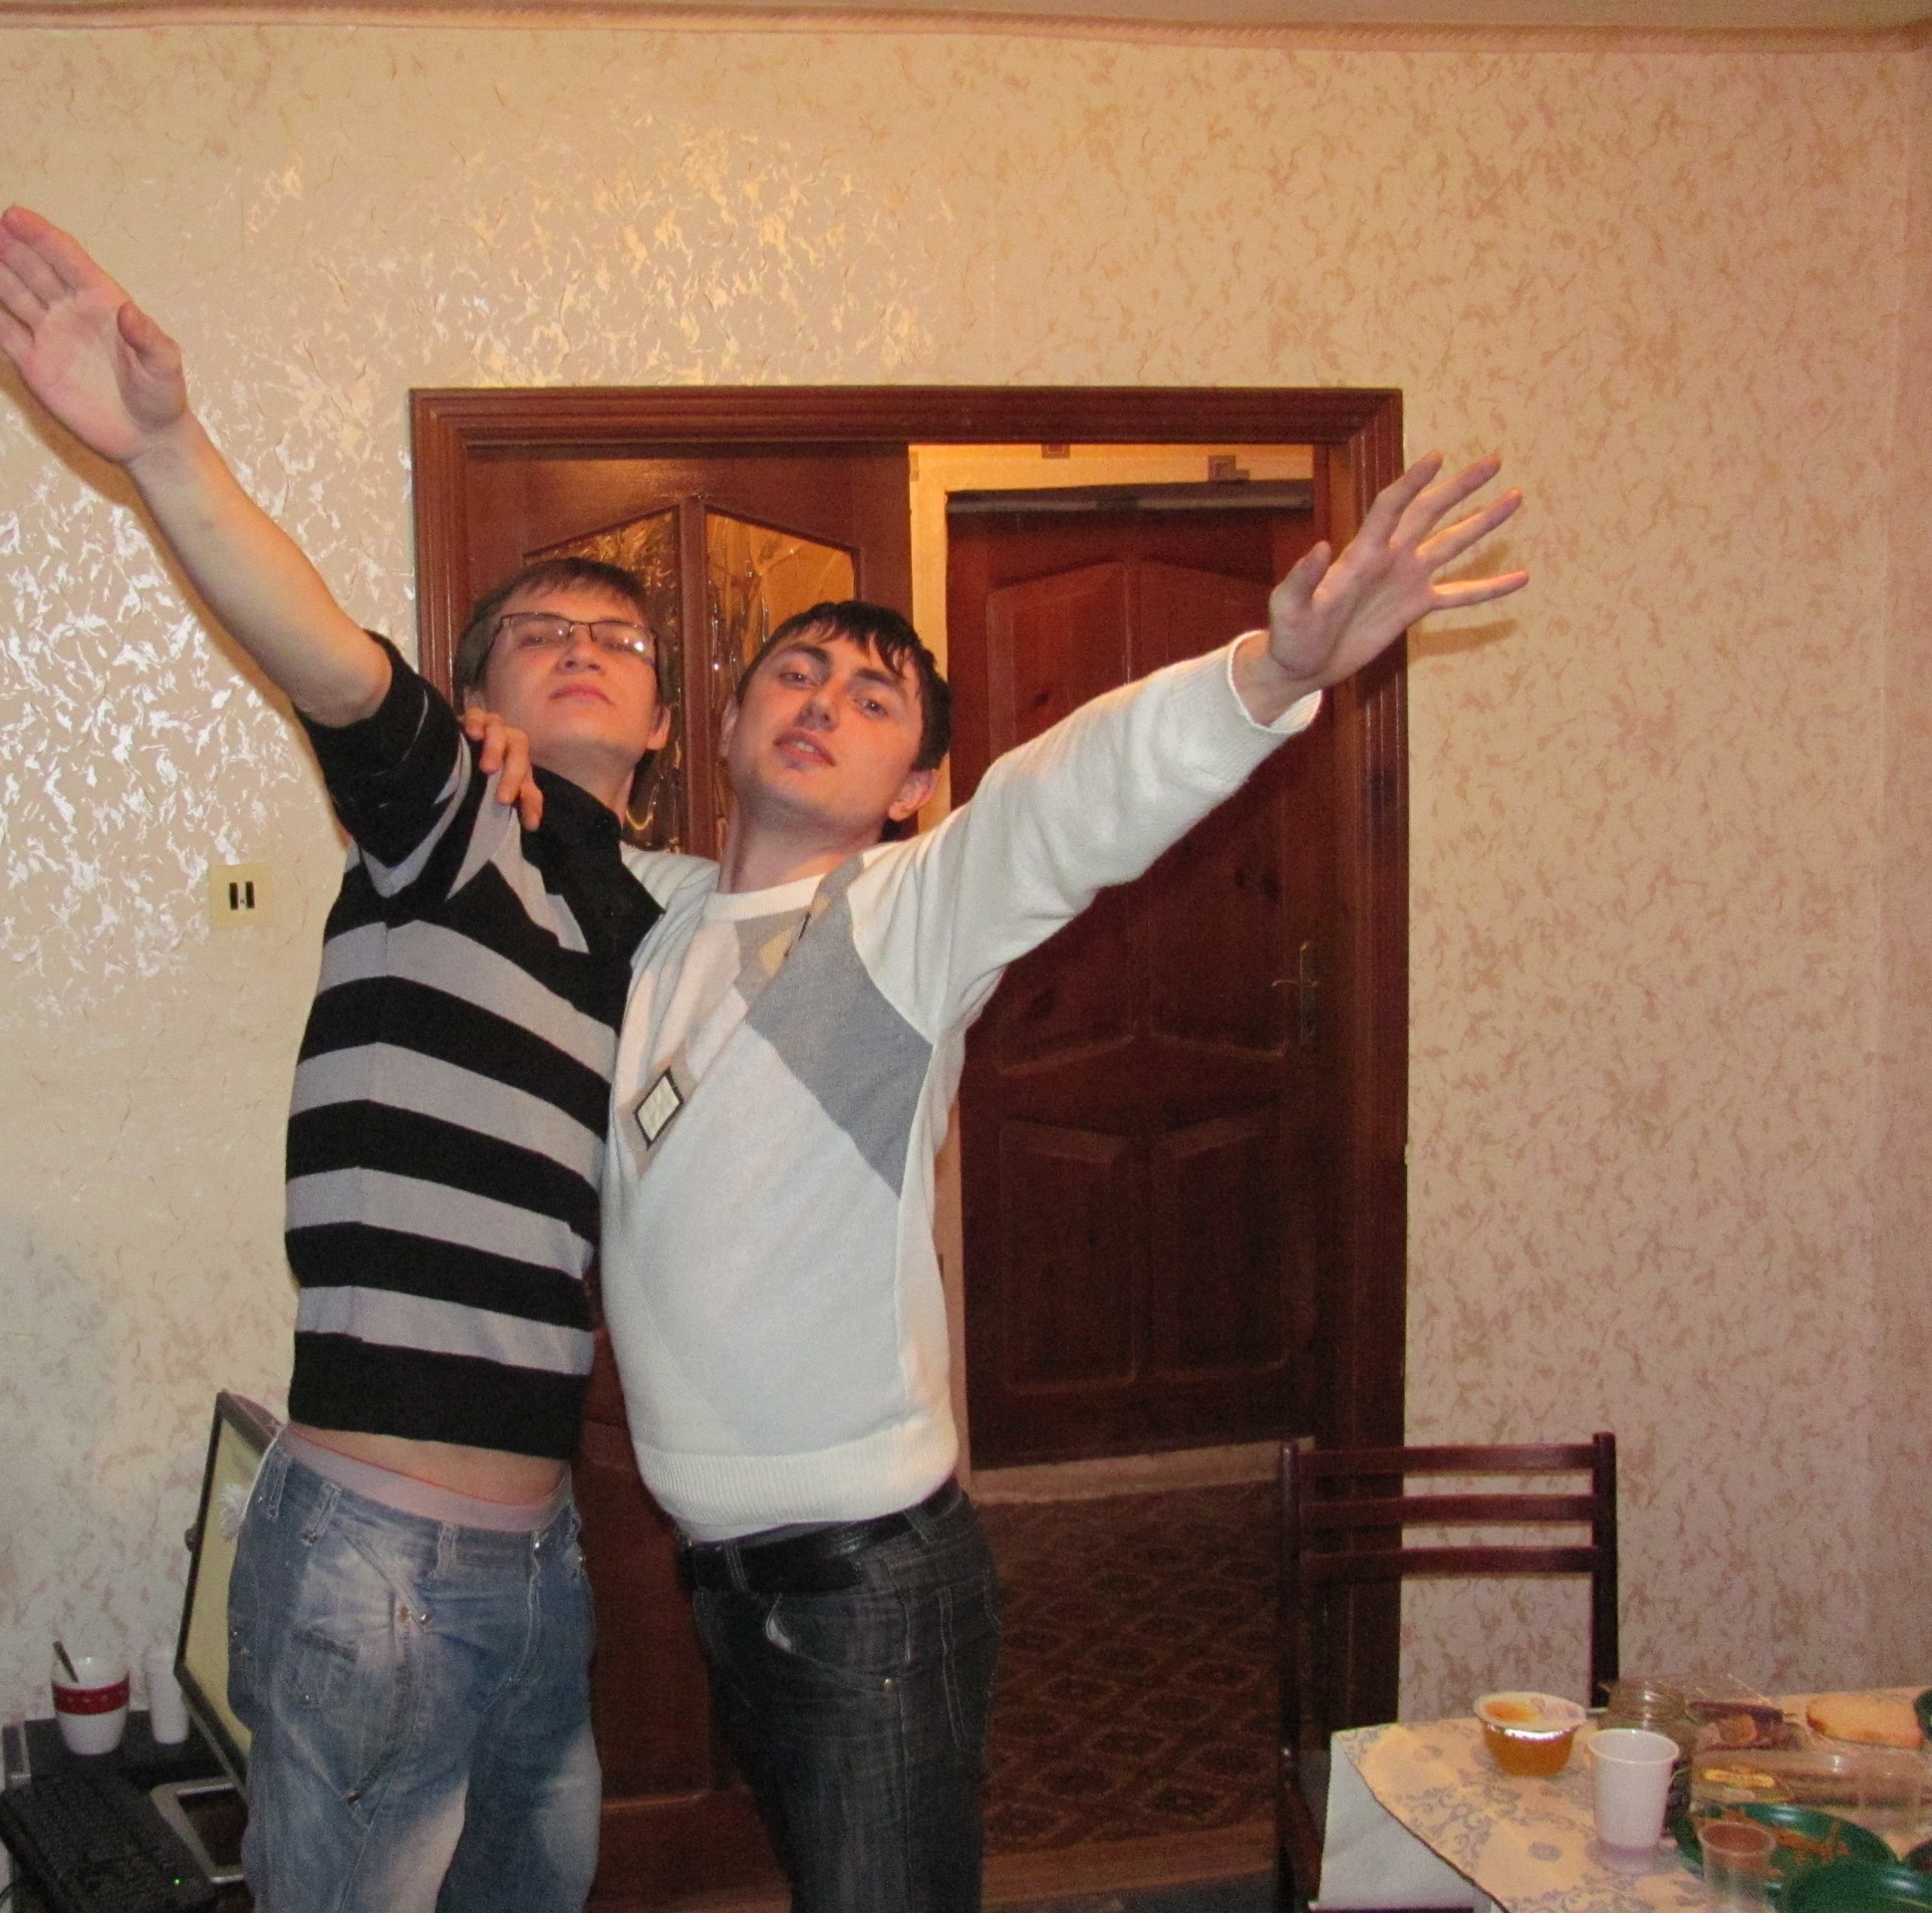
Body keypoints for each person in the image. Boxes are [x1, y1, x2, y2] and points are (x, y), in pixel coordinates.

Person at [592, 455, 1527, 1911]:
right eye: (798, 671)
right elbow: (526, 823)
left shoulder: (898, 921)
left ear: (913, 791)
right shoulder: (658, 923)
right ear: (724, 721)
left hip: (865, 1587)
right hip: (722, 1576)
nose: (823, 701)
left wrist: (1271, 674)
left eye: (874, 699)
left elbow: (1062, 805)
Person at [0, 205, 700, 1913]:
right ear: (476, 693)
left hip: (544, 1562)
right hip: (382, 1558)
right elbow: (328, 662)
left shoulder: (655, 933)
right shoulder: (458, 831)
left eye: (621, 642)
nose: (584, 650)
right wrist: (164, 450)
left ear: (663, 723)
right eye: (541, 635)